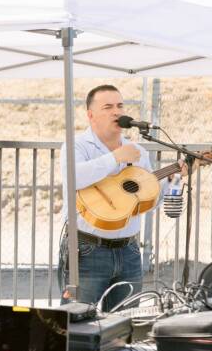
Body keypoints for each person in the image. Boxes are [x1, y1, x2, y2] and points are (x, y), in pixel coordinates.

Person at [58, 84, 191, 310]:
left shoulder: (137, 151)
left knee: (125, 322)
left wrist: (171, 180)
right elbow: (74, 178)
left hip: (129, 251)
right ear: (91, 115)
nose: (116, 112)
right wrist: (115, 157)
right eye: (108, 107)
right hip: (87, 250)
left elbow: (145, 202)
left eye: (120, 106)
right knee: (76, 319)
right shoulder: (76, 146)